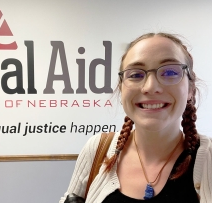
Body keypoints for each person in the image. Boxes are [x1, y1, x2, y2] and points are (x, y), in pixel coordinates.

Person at [59, 33, 212, 203]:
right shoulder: (96, 150)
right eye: (136, 75)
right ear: (122, 89)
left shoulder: (209, 159)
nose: (150, 87)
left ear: (190, 89)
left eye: (169, 71)